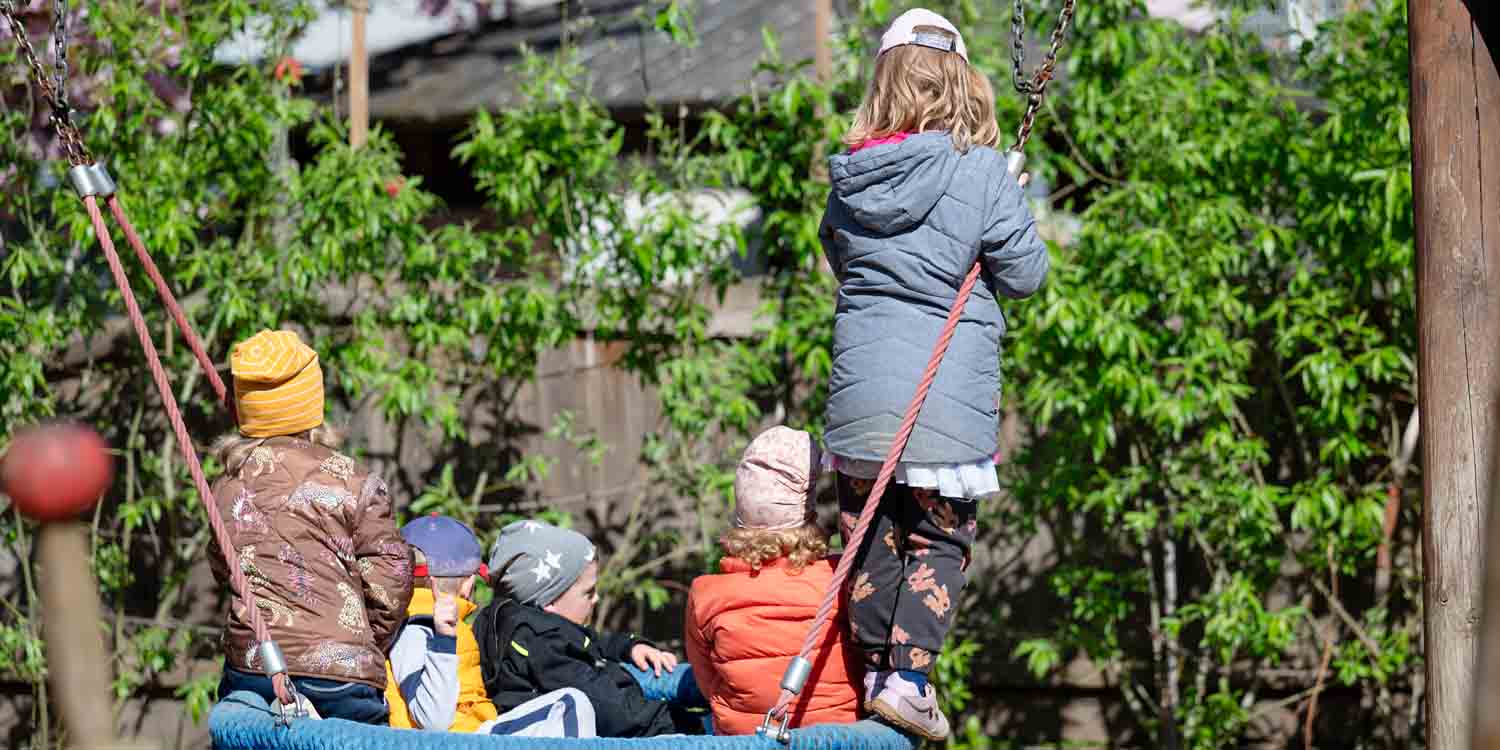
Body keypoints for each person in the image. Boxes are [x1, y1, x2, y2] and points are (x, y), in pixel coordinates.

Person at [818, 8, 1050, 741]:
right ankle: (911, 679)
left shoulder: (848, 177)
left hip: (859, 400)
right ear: (962, 86)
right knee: (937, 540)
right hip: (942, 401)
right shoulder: (980, 171)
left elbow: (842, 257)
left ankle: (872, 676)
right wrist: (1004, 196)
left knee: (869, 535)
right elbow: (1027, 274)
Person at [209, 329, 412, 724]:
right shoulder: (355, 482)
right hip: (341, 678)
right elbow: (392, 580)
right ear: (311, 403)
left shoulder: (226, 488)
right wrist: (362, 642)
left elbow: (225, 570)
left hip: (255, 669)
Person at [684, 426, 863, 735]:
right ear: (807, 512)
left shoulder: (706, 594)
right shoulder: (839, 578)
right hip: (836, 737)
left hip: (746, 740)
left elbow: (706, 680)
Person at [472, 520, 708, 737]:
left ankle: (715, 689)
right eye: (588, 592)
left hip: (615, 700)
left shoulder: (527, 623)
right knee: (703, 716)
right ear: (550, 601)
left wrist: (628, 646)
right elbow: (615, 712)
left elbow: (585, 641)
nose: (596, 599)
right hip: (616, 719)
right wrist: (688, 723)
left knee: (663, 675)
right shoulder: (541, 644)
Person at [385, 514, 597, 737]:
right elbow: (433, 721)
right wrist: (444, 641)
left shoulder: (426, 625)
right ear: (468, 583)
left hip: (470, 735)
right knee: (570, 704)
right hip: (460, 740)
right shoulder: (415, 629)